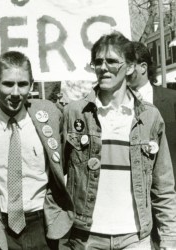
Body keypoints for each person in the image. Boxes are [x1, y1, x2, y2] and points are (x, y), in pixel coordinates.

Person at [63, 32, 176, 249]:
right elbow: (55, 177)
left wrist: (169, 240)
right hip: (86, 237)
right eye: (98, 62)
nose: (103, 67)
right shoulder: (75, 113)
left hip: (135, 237)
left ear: (131, 67)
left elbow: (163, 186)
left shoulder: (149, 117)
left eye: (112, 61)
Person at [0, 51, 73, 250]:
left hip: (42, 224)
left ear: (32, 84)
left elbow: (65, 159)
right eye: (8, 84)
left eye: (22, 84)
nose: (15, 92)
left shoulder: (51, 118)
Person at [127, 41, 176, 188]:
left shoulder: (172, 100)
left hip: (168, 190)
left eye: (128, 65)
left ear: (143, 67)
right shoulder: (113, 105)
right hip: (131, 191)